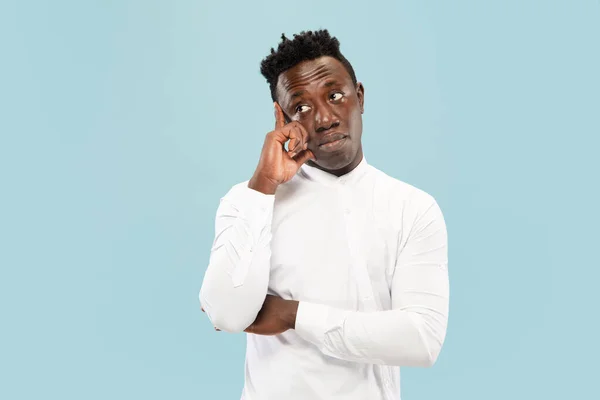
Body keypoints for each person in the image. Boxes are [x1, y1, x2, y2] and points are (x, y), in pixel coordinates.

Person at [199, 29, 449, 400]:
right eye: (301, 107)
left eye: (335, 96)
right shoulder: (248, 200)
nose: (325, 118)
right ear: (280, 117)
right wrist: (264, 184)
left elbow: (421, 340)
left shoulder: (412, 207)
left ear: (360, 97)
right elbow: (226, 314)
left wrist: (292, 315)